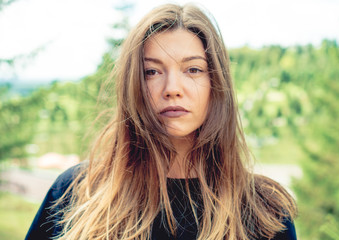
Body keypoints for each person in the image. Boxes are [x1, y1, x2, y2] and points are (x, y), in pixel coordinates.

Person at [26, 3, 297, 240]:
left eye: (193, 69)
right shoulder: (76, 192)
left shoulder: (265, 212)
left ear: (216, 83)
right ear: (133, 86)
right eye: (152, 71)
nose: (172, 88)